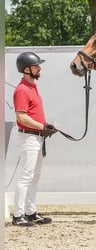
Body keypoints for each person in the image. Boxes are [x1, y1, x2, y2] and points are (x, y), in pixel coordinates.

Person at [12, 52, 57, 227]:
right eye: (37, 66)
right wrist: (42, 127)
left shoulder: (32, 87)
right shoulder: (22, 90)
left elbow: (32, 115)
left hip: (36, 137)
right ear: (27, 69)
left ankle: (30, 212)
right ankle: (18, 215)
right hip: (29, 137)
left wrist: (45, 126)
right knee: (27, 175)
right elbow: (21, 117)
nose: (40, 68)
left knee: (35, 176)